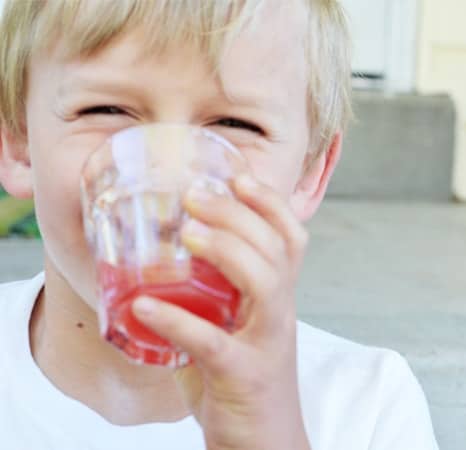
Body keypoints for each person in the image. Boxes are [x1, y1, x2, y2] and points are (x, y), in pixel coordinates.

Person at [0, 1, 438, 449]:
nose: (169, 174)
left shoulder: (366, 409)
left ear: (309, 173)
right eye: (106, 109)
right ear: (17, 140)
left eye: (233, 123)